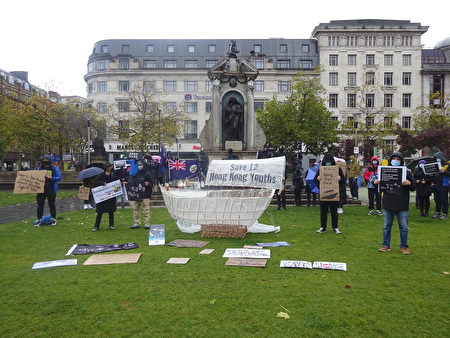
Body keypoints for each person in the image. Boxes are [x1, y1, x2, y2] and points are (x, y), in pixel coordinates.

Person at [376, 152, 416, 255]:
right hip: (388, 203)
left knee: (403, 227)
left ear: (401, 161)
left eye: (398, 159)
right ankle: (385, 245)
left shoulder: (407, 172)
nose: (396, 161)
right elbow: (377, 183)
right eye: (394, 159)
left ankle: (404, 246)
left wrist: (409, 183)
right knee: (386, 227)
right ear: (390, 160)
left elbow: (413, 187)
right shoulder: (384, 171)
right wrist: (376, 182)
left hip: (402, 204)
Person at [314, 153, 345, 234]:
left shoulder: (337, 169)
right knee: (323, 211)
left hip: (334, 194)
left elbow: (343, 180)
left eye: (330, 162)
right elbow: (315, 180)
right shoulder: (320, 169)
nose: (328, 163)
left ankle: (335, 227)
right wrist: (318, 178)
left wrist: (340, 178)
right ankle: (323, 227)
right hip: (323, 194)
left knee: (334, 211)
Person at [35, 155, 62, 226]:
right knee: (40, 205)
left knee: (52, 205)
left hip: (51, 189)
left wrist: (52, 178)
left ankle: (53, 219)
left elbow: (59, 177)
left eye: (47, 159)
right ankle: (39, 220)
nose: (45, 161)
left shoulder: (54, 169)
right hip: (41, 189)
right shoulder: (39, 168)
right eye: (44, 159)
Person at [91, 163, 118, 231]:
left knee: (111, 211)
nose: (111, 167)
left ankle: (111, 225)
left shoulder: (113, 175)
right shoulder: (101, 175)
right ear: (106, 168)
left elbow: (116, 183)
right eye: (110, 166)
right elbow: (94, 183)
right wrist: (102, 183)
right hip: (102, 197)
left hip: (111, 196)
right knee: (100, 212)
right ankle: (96, 226)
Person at [129, 160, 153, 229]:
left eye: (141, 164)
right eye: (139, 164)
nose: (139, 166)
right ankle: (137, 223)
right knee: (136, 209)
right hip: (137, 195)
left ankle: (147, 224)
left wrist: (148, 184)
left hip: (145, 195)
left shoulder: (148, 174)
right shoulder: (137, 173)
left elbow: (151, 184)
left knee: (146, 210)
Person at [431, 152, 449, 220]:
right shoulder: (436, 165)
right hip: (436, 185)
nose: (437, 160)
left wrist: (444, 171)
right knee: (437, 200)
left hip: (444, 185)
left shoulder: (448, 164)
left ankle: (444, 214)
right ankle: (437, 213)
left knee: (444, 200)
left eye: (438, 158)